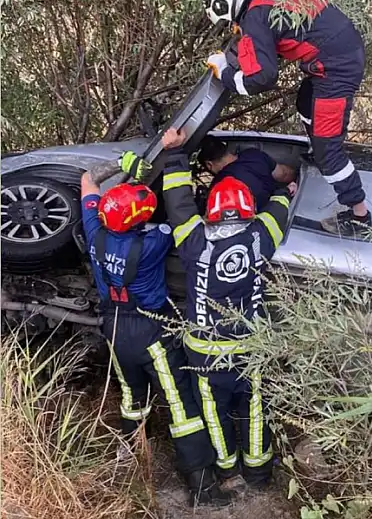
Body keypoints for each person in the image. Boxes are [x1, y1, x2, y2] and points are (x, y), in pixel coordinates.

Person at [79, 153, 232, 507]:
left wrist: (121, 166)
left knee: (132, 397)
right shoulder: (154, 241)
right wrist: (144, 173)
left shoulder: (94, 230)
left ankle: (132, 461)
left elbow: (88, 180)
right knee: (179, 402)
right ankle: (202, 486)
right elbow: (177, 220)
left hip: (114, 327)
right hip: (152, 330)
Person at [160, 127, 294, 488]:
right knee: (253, 410)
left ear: (213, 211)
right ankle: (258, 471)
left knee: (214, 413)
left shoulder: (193, 240)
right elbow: (279, 210)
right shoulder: (260, 237)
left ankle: (226, 469)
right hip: (250, 350)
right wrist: (282, 191)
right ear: (249, 211)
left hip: (205, 354)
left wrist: (174, 157)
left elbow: (178, 203)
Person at [200, 0, 369, 235]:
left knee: (329, 153)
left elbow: (261, 78)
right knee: (305, 102)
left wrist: (225, 71)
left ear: (224, 3)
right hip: (339, 55)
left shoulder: (255, 16)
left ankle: (359, 215)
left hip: (335, 69)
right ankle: (320, 149)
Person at [197, 137, 298, 205]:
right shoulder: (254, 154)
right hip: (283, 204)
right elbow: (284, 174)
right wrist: (298, 181)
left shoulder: (218, 186)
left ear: (209, 164)